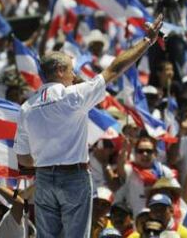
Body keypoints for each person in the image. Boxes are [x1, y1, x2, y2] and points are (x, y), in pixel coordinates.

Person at [13, 14, 164, 238]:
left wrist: (48, 159)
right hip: (73, 177)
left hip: (43, 179)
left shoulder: (26, 108)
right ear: (60, 71)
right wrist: (147, 41)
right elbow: (114, 69)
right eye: (72, 70)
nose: (75, 75)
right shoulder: (72, 96)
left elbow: (24, 160)